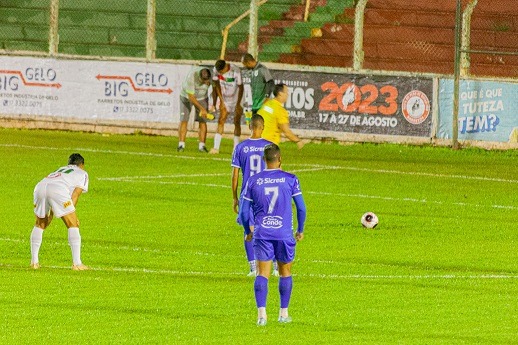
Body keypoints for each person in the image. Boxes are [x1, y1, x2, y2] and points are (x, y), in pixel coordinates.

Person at [240, 143, 307, 326]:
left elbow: (244, 213)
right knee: (285, 273)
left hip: (262, 233)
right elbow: (301, 207)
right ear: (280, 159)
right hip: (284, 234)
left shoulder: (253, 181)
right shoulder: (290, 179)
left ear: (264, 160)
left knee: (262, 273)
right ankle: (283, 314)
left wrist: (248, 231)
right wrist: (300, 230)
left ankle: (262, 316)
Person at [231, 114, 275, 276]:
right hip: (267, 193)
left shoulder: (240, 147)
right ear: (263, 127)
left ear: (250, 126)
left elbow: (235, 175)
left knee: (249, 230)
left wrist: (235, 197)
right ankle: (276, 266)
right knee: (271, 227)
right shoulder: (270, 146)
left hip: (247, 194)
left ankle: (253, 268)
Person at [30, 153, 90, 270]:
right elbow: (75, 195)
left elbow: (52, 188)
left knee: (40, 224)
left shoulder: (61, 169)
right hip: (57, 189)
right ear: (81, 165)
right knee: (73, 224)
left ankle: (34, 262)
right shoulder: (82, 173)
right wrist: (72, 213)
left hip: (40, 187)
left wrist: (52, 213)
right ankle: (77, 264)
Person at [210, 59, 245, 154]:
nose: (220, 73)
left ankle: (236, 148)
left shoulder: (236, 71)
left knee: (236, 121)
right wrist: (221, 101)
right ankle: (216, 147)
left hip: (237, 97)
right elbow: (216, 85)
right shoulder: (216, 70)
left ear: (226, 67)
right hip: (225, 98)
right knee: (221, 119)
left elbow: (241, 88)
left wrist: (238, 104)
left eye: (221, 71)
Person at [258, 83, 305, 149]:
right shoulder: (280, 110)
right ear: (280, 93)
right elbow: (286, 132)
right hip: (269, 146)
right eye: (286, 92)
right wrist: (298, 141)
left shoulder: (266, 104)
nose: (288, 95)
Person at [178, 67, 212, 152]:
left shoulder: (212, 76)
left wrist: (214, 104)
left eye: (206, 81)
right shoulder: (191, 77)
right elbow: (191, 97)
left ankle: (202, 146)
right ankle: (181, 145)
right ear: (199, 76)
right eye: (202, 81)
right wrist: (202, 109)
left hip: (202, 98)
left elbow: (215, 88)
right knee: (184, 120)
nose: (204, 82)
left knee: (203, 121)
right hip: (186, 97)